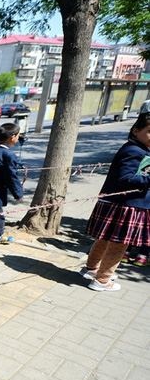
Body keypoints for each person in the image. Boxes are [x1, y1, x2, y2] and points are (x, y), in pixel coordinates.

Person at [82, 113, 150, 291]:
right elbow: (125, 178)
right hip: (126, 205)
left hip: (121, 203)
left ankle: (91, 269)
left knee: (105, 240)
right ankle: (102, 280)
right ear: (135, 130)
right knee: (118, 246)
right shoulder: (134, 151)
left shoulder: (138, 149)